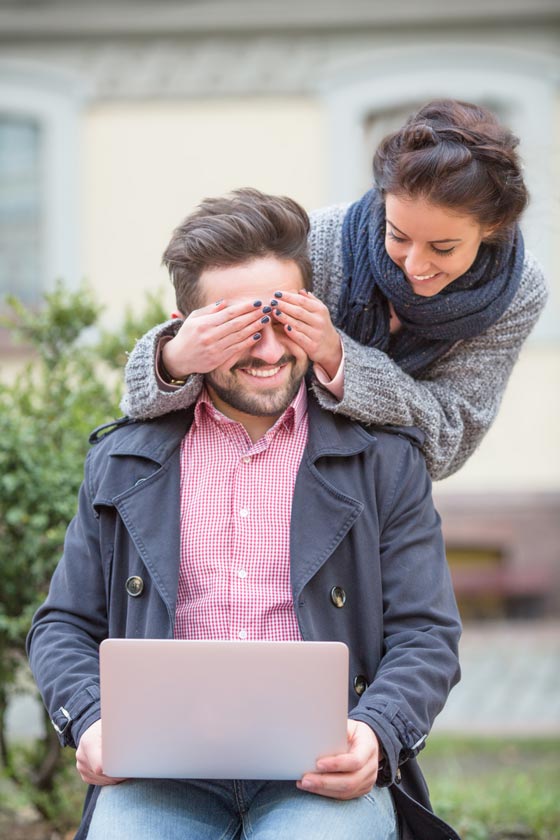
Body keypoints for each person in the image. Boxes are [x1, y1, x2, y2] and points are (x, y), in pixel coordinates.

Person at [28, 189, 462, 840]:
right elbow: (62, 625)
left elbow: (426, 633)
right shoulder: (121, 461)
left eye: (283, 320)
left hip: (322, 772)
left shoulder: (385, 462)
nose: (267, 350)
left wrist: (377, 732)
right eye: (237, 328)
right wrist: (89, 722)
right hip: (157, 776)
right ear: (185, 331)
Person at [121, 98, 547, 480]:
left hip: (380, 494)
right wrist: (172, 360)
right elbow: (153, 394)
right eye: (397, 236)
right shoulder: (324, 241)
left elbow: (448, 442)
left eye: (443, 248)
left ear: (493, 227)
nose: (416, 265)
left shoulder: (517, 293)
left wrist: (336, 356)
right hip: (264, 472)